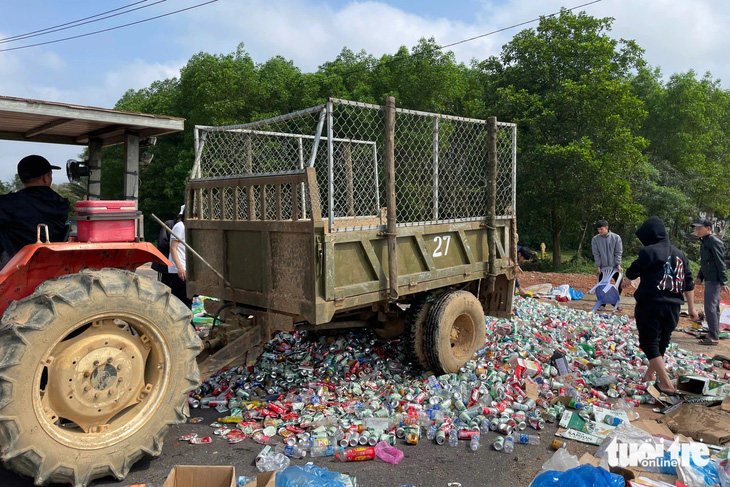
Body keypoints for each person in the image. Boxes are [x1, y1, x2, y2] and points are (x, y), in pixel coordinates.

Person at [625, 216, 698, 395]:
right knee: (662, 341)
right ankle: (650, 375)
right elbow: (688, 283)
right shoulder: (680, 254)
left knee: (649, 342)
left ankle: (665, 383)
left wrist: (630, 276)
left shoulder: (649, 252)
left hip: (651, 304)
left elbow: (631, 272)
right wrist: (692, 308)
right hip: (674, 307)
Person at [0, 155, 69, 268]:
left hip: (13, 266)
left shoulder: (7, 204)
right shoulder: (61, 204)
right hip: (52, 262)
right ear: (45, 178)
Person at [692, 218, 729, 346]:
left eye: (700, 228)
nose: (697, 231)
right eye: (696, 228)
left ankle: (713, 337)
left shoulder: (714, 241)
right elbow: (705, 262)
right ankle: (713, 333)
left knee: (710, 307)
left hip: (714, 279)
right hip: (709, 278)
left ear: (708, 228)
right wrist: (699, 277)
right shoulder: (704, 242)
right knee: (713, 307)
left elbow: (720, 262)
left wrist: (724, 281)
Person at [591, 220, 624, 308]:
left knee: (620, 283)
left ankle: (615, 300)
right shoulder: (595, 239)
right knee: (602, 285)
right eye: (598, 230)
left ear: (606, 227)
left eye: (601, 229)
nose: (599, 231)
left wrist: (618, 264)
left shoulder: (616, 237)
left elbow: (618, 252)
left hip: (614, 266)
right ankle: (602, 303)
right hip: (603, 267)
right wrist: (598, 266)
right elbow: (596, 253)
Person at [167, 205, 192, 308]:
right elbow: (173, 248)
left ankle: (189, 322)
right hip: (179, 268)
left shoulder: (189, 227)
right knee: (182, 299)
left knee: (188, 298)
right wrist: (180, 267)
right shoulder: (180, 226)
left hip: (185, 266)